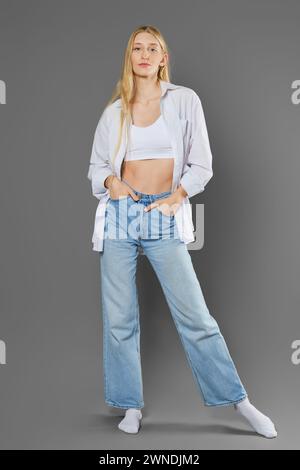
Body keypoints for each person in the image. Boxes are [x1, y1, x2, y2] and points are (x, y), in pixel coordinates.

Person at [87, 25, 277, 438]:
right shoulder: (115, 110)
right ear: (130, 56)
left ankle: (240, 402)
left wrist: (177, 198)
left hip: (162, 214)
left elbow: (202, 164)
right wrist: (111, 185)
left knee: (195, 315)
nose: (144, 54)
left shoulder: (184, 101)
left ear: (163, 58)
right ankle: (130, 405)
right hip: (120, 213)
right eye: (137, 48)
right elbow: (96, 168)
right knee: (119, 318)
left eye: (152, 48)